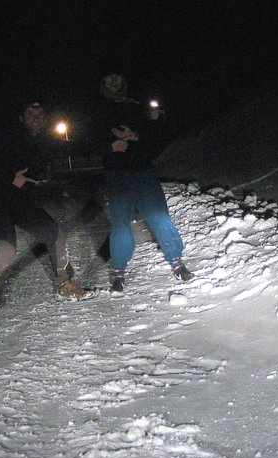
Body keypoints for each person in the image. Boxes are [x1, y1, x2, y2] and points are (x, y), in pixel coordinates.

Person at [0, 101, 87, 309]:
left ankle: (67, 285)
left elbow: (74, 146)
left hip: (21, 203)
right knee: (6, 250)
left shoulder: (44, 142)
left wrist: (110, 145)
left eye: (40, 114)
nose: (36, 118)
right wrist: (9, 177)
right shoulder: (5, 137)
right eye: (30, 113)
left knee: (55, 233)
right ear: (21, 118)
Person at [92, 71, 192, 295]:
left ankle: (177, 262)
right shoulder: (98, 111)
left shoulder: (137, 107)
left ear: (123, 82)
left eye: (117, 77)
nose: (113, 81)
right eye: (109, 78)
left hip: (145, 172)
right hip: (118, 175)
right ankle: (118, 272)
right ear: (103, 83)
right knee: (120, 224)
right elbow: (88, 144)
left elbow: (156, 140)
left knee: (160, 217)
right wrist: (111, 147)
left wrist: (137, 135)